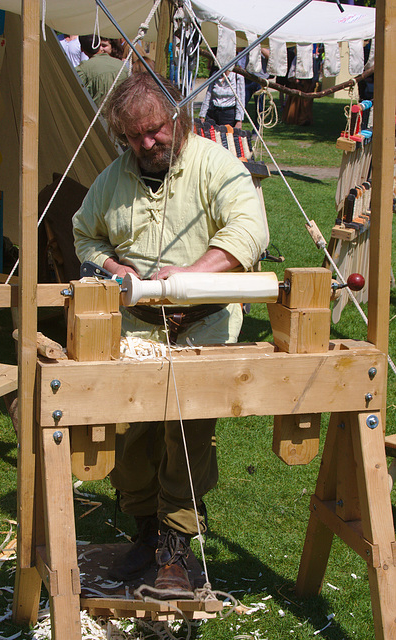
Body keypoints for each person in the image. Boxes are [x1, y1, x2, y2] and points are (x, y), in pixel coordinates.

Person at [72, 73, 268, 596]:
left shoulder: (215, 165)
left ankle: (178, 545)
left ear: (177, 119)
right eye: (135, 137)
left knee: (185, 432)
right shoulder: (113, 179)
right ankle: (145, 533)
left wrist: (186, 282)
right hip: (136, 331)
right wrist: (117, 270)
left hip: (204, 322)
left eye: (155, 131)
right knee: (130, 436)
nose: (148, 144)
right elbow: (84, 235)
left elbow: (248, 231)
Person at [76, 35, 128, 108]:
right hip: (119, 115)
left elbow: (76, 96)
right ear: (100, 45)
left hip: (98, 116)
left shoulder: (83, 69)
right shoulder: (121, 65)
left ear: (81, 49)